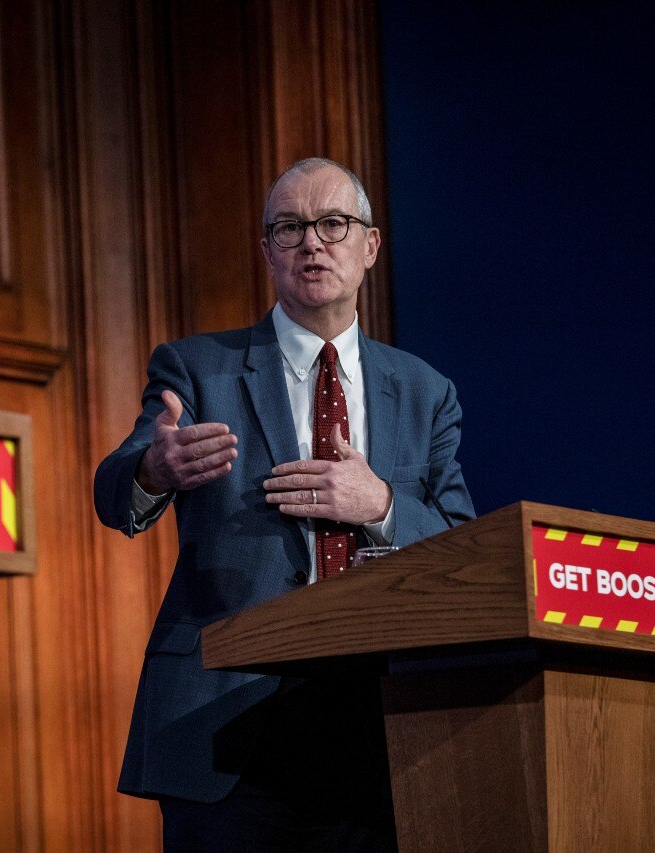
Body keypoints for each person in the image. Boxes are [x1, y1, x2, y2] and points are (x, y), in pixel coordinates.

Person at [94, 158, 475, 850]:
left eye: (334, 224)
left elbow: (463, 546)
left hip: (374, 728)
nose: (312, 242)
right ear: (266, 249)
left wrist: (382, 501)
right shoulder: (195, 367)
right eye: (290, 227)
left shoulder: (426, 392)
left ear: (370, 246)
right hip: (226, 726)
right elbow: (115, 490)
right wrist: (155, 466)